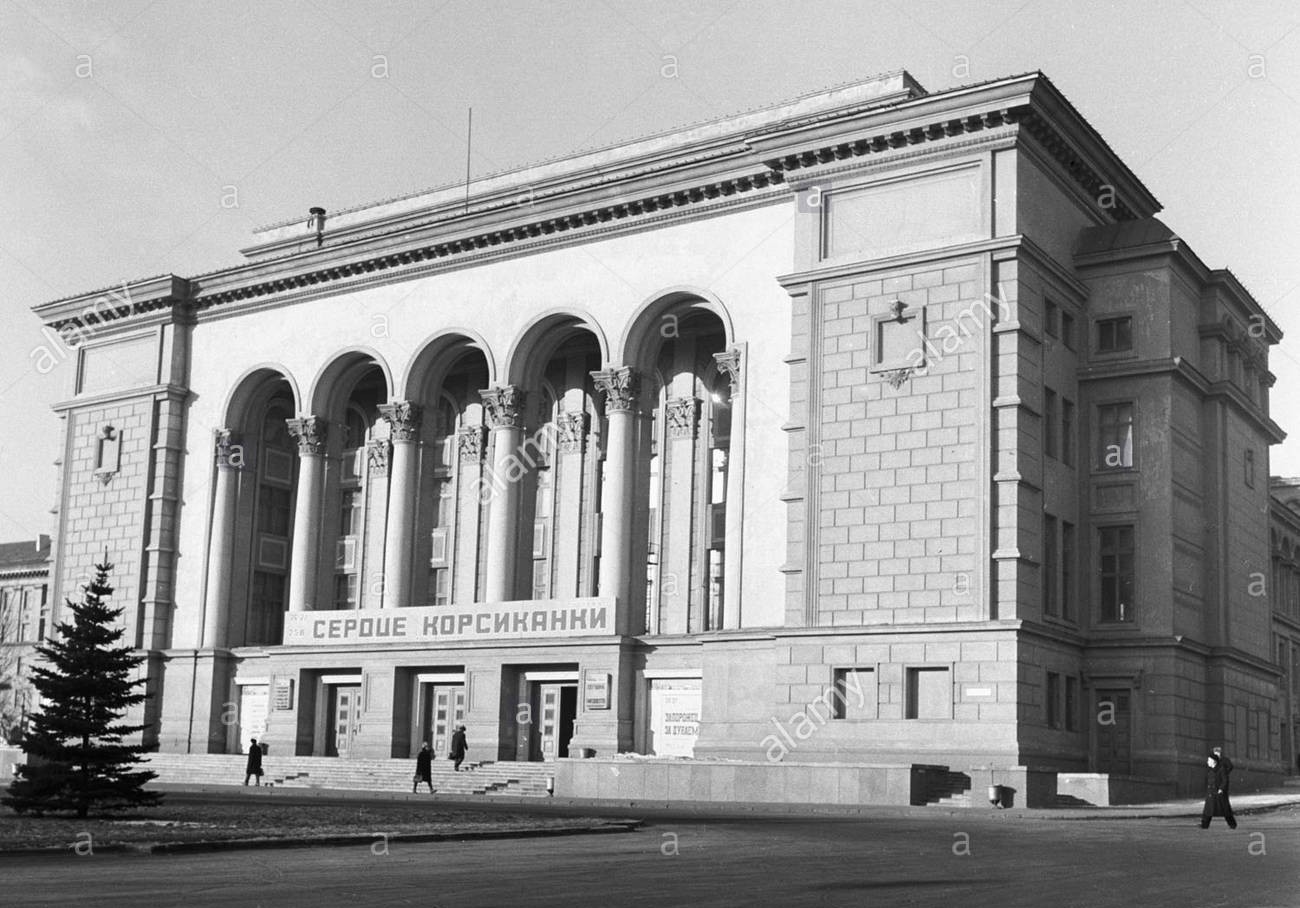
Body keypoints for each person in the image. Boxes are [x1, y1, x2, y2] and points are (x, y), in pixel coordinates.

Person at [1200, 751, 1237, 829]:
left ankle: (1232, 824)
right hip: (1211, 793)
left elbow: (1225, 780)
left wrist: (1221, 789)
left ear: (1213, 762)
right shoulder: (1210, 770)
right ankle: (1204, 825)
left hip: (1219, 793)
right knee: (1208, 810)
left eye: (1209, 760)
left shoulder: (1221, 770)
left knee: (1225, 810)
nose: (1207, 762)